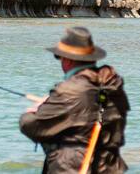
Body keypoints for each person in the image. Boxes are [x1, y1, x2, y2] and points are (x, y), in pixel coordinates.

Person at [20, 27, 129, 173]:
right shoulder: (113, 86)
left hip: (72, 168)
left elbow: (31, 126)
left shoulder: (69, 91)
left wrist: (34, 110)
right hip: (108, 167)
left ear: (68, 59)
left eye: (59, 56)